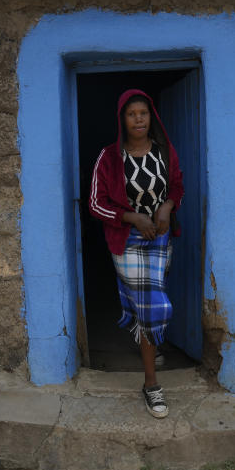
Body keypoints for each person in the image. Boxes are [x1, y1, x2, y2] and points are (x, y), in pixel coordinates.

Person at [89, 89, 184, 419]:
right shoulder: (110, 157)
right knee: (151, 305)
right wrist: (132, 217)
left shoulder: (163, 152)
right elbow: (96, 203)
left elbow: (177, 185)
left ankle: (148, 348)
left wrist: (166, 208)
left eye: (143, 113)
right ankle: (151, 385)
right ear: (122, 120)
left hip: (159, 238)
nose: (139, 119)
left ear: (151, 116)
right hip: (126, 239)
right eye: (132, 114)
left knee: (151, 301)